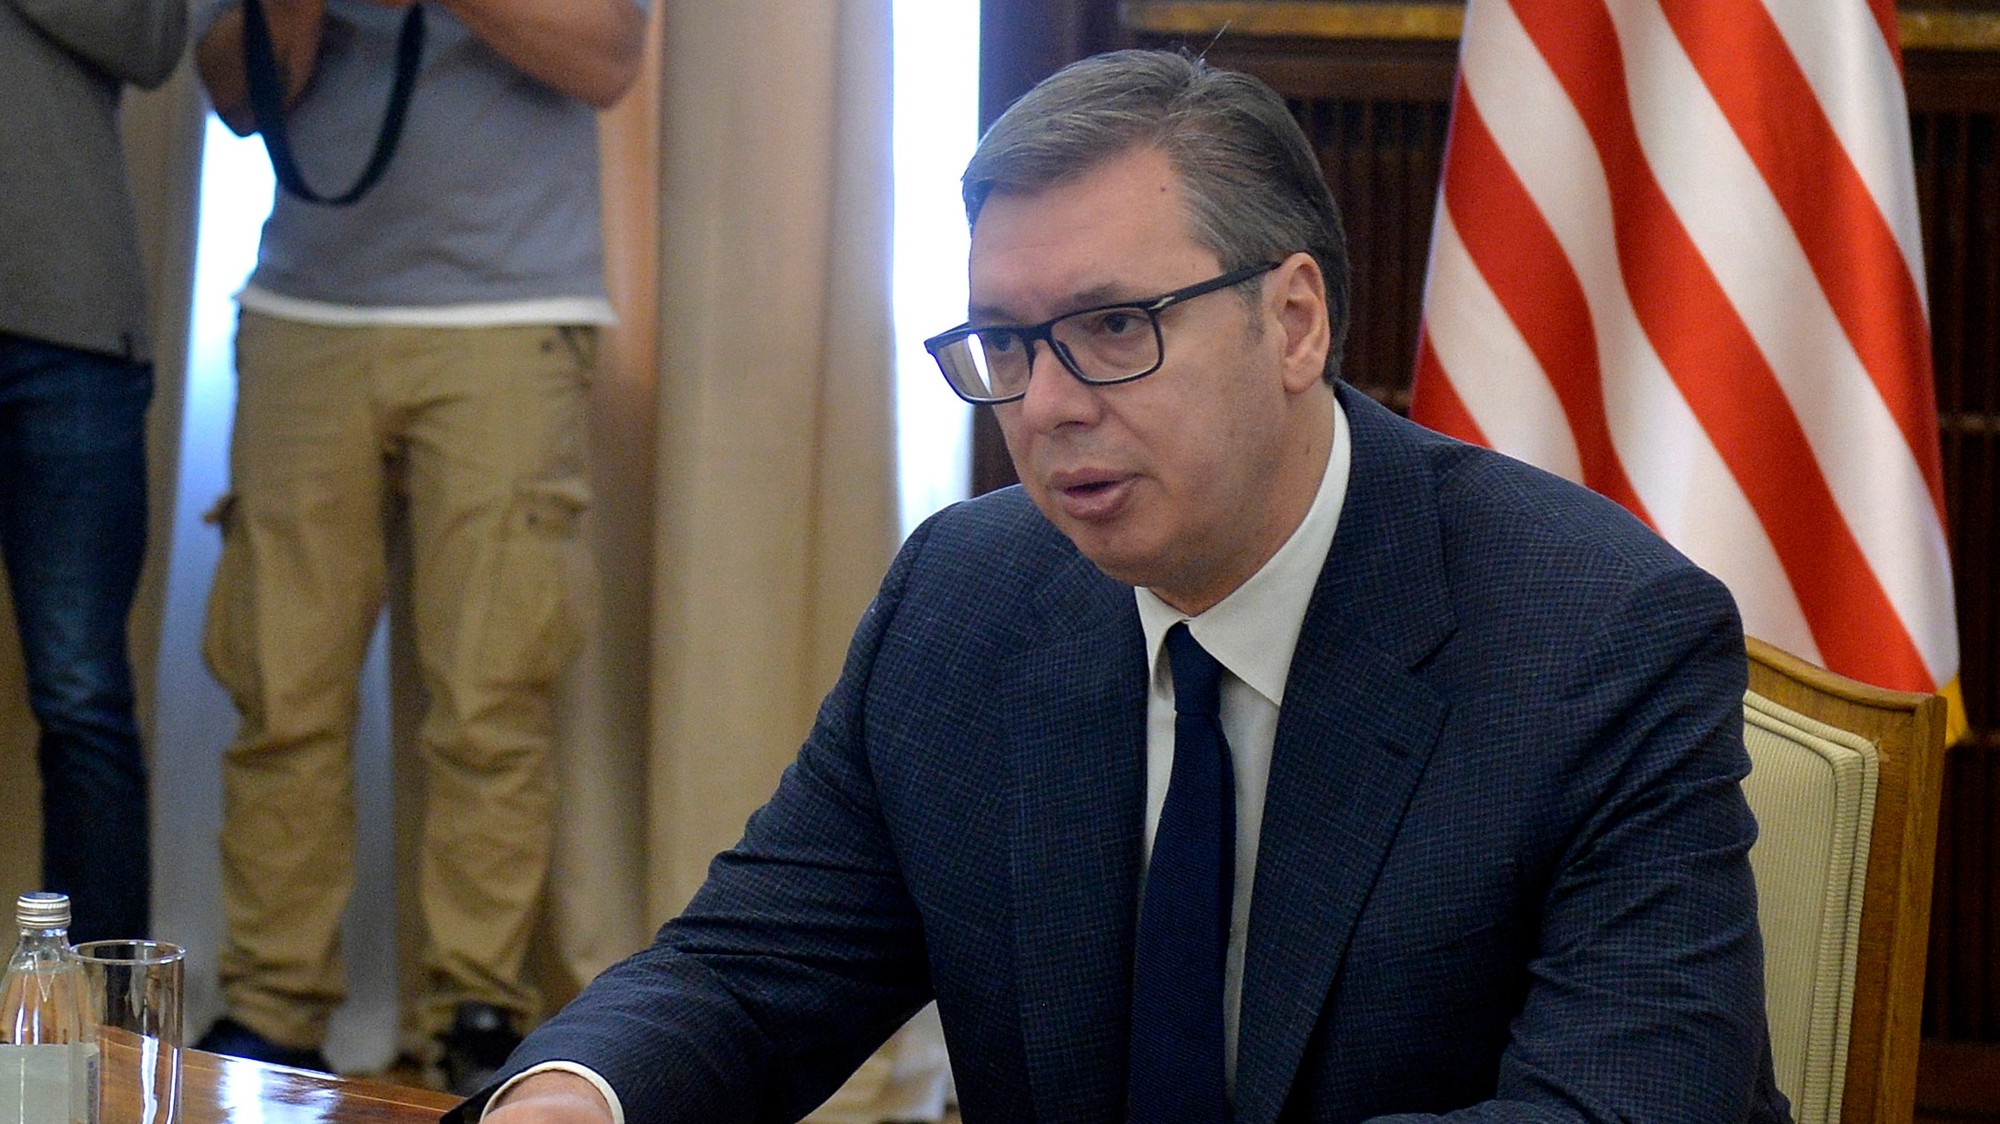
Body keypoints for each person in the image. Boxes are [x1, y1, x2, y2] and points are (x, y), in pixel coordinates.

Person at [460, 49, 1792, 1123]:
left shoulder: (1592, 637)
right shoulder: (967, 597)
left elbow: (1621, 1102)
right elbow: (750, 974)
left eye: (1112, 327)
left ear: (1294, 322)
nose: (1043, 406)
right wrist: (575, 1094)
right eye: (1005, 343)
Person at [188, 0, 645, 1093]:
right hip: (306, 309)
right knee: (280, 691)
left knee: (492, 696)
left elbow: (608, 57)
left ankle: (476, 1010)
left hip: (509, 313)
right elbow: (235, 95)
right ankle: (271, 1009)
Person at [1, 0, 187, 946]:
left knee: (82, 698)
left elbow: (152, 40)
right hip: (72, 332)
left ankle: (106, 1017)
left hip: (71, 323)